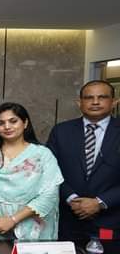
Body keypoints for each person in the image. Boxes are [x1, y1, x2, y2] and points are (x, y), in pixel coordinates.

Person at [0, 102, 63, 240]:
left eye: (13, 121)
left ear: (25, 123)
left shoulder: (42, 155)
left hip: (30, 226)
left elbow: (50, 194)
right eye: (1, 123)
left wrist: (13, 220)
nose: (7, 127)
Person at [47, 80, 120, 240]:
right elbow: (49, 172)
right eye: (88, 98)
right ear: (79, 103)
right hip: (67, 222)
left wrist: (100, 202)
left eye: (102, 97)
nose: (95, 102)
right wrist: (72, 199)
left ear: (114, 102)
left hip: (111, 222)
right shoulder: (61, 131)